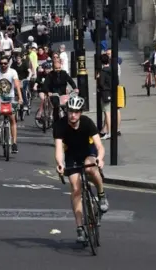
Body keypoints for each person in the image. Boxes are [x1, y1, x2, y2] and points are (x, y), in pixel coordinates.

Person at [53, 95, 109, 243]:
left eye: (76, 111)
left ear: (81, 112)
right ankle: (79, 228)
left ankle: (102, 195)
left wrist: (100, 159)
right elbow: (59, 148)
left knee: (91, 169)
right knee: (75, 188)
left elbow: (99, 146)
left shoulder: (87, 123)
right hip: (71, 155)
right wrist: (60, 163)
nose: (73, 115)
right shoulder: (60, 125)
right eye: (71, 111)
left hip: (88, 152)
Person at [0, 56, 23, 153]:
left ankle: (14, 143)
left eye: (5, 63)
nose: (3, 65)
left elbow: (17, 86)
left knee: (12, 119)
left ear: (8, 64)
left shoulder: (13, 72)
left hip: (10, 97)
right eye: (1, 63)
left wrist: (20, 98)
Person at [97, 53, 112, 140]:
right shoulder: (111, 69)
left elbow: (101, 84)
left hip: (105, 93)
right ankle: (106, 131)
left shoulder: (102, 72)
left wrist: (99, 78)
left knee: (107, 113)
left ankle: (108, 132)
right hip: (112, 92)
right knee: (109, 112)